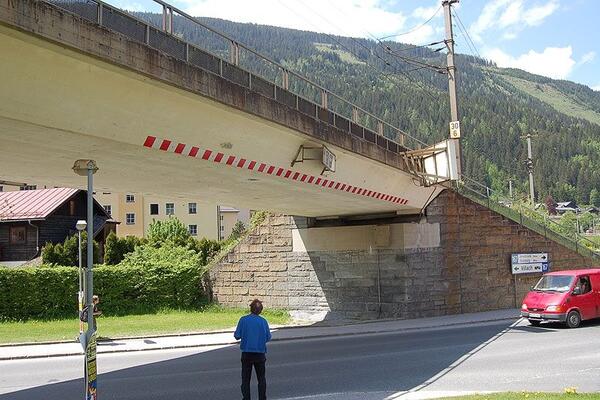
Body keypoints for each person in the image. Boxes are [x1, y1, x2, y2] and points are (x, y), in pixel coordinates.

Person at [234, 299, 272, 400]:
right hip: (260, 354)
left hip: (246, 354)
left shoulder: (243, 320)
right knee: (261, 379)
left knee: (245, 380)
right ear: (261, 311)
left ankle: (246, 398)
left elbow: (237, 335)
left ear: (250, 309)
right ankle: (262, 398)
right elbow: (268, 337)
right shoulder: (263, 321)